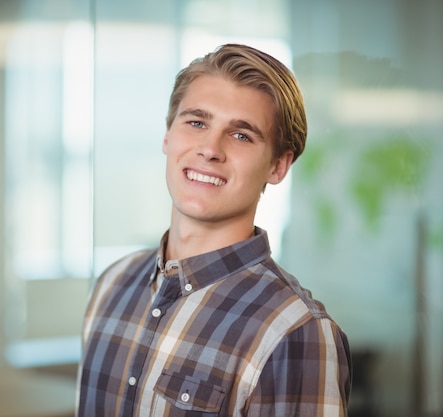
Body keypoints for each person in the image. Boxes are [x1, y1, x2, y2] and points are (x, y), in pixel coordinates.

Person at [77, 43, 351, 416]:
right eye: (196, 122)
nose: (210, 149)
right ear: (167, 136)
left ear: (278, 166)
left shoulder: (295, 331)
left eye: (241, 135)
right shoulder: (113, 285)